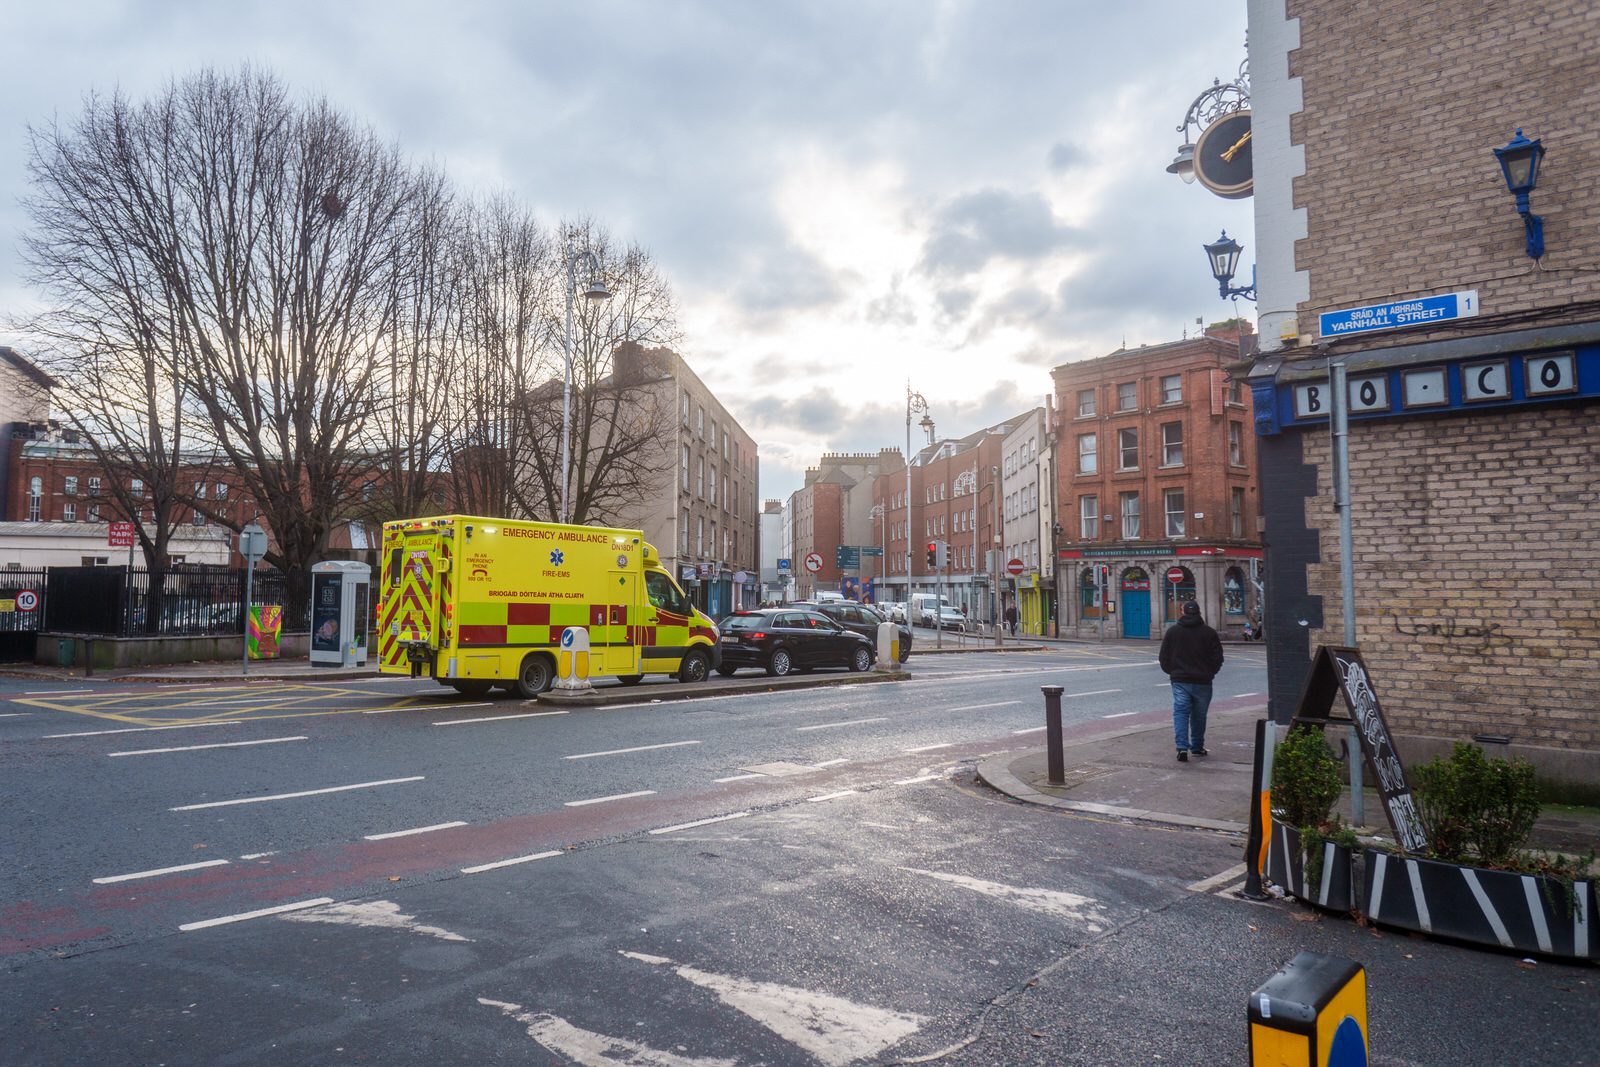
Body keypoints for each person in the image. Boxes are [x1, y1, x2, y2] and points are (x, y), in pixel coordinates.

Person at [1159, 600, 1224, 762]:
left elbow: (1163, 657)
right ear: (1199, 612)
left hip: (1180, 680)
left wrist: (1173, 672)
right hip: (1203, 681)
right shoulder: (1209, 633)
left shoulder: (1172, 632)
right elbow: (1218, 658)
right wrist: (1210, 672)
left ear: (1183, 612)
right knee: (1199, 716)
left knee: (1181, 713)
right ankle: (1197, 747)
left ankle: (1182, 748)